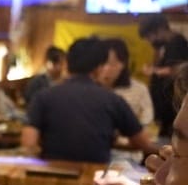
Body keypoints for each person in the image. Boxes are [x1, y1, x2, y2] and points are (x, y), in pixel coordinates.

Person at [21, 37, 154, 163]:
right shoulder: (113, 100)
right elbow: (143, 143)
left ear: (67, 64)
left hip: (51, 176)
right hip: (94, 180)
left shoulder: (43, 96)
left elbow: (28, 144)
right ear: (99, 68)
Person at [138, 13, 188, 144]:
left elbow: (179, 69)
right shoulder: (164, 47)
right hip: (164, 113)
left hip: (172, 110)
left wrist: (154, 71)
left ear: (160, 29)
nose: (150, 41)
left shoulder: (178, 42)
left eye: (150, 36)